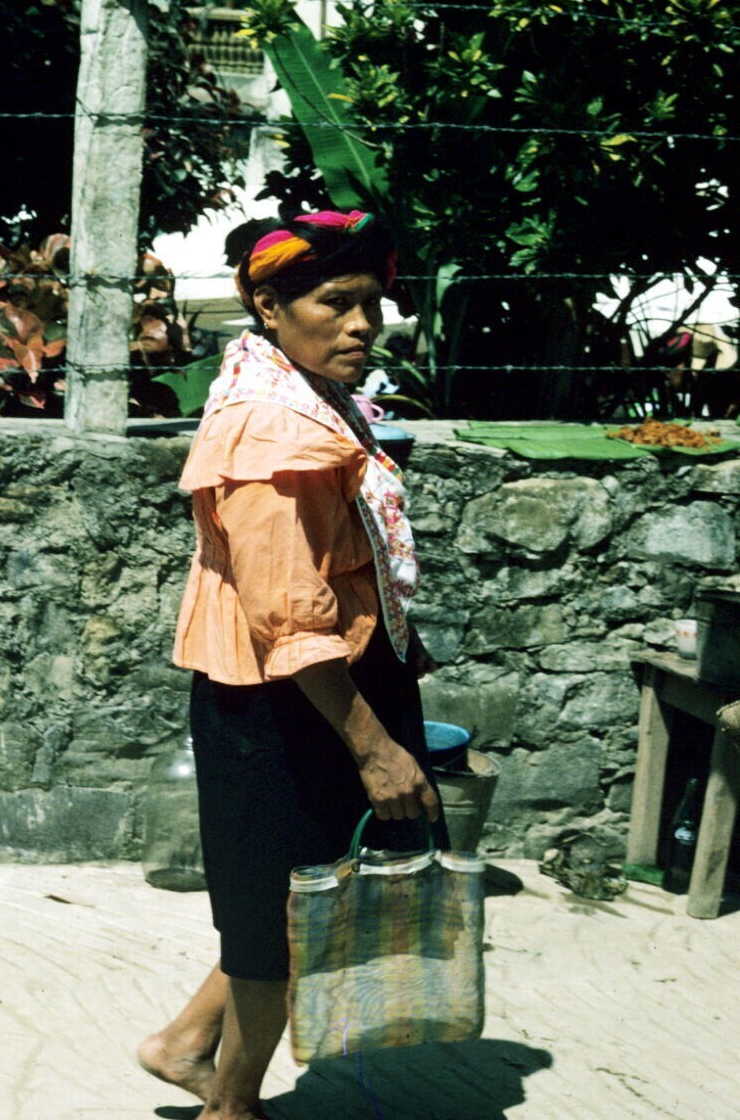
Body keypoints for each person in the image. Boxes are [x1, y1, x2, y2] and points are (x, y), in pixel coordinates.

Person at [135, 211, 445, 1120]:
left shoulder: (305, 394)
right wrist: (375, 747)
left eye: (372, 304)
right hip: (286, 705)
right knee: (279, 922)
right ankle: (231, 1106)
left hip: (328, 688)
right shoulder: (274, 428)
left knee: (297, 901)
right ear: (270, 307)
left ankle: (186, 1045)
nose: (362, 325)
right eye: (335, 303)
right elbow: (290, 620)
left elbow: (336, 573)